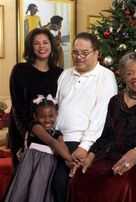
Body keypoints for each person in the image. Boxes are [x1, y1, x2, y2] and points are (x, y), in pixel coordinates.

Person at [67, 52, 136, 202]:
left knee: (122, 184)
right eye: (129, 73)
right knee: (80, 175)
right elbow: (107, 134)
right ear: (123, 76)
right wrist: (90, 157)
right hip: (110, 157)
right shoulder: (115, 101)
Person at [52, 32, 118, 202]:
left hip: (81, 142)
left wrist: (84, 146)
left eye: (84, 53)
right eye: (75, 52)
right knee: (49, 187)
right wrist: (54, 137)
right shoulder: (65, 74)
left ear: (97, 53)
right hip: (57, 141)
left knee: (66, 187)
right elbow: (56, 108)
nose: (78, 57)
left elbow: (101, 115)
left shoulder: (106, 76)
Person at [8, 28, 63, 171]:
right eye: (36, 43)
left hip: (52, 132)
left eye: (45, 42)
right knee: (24, 181)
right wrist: (29, 134)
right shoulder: (20, 70)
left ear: (51, 46)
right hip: (25, 135)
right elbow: (17, 108)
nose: (41, 47)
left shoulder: (60, 73)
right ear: (31, 47)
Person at [5, 94, 75, 202]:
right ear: (35, 116)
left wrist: (68, 160)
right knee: (27, 191)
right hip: (32, 165)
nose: (47, 120)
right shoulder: (35, 127)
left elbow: (62, 145)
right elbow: (53, 142)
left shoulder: (57, 133)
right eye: (42, 117)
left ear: (57, 114)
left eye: (51, 116)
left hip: (48, 167)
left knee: (41, 192)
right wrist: (70, 159)